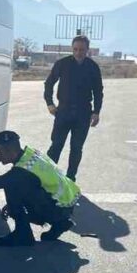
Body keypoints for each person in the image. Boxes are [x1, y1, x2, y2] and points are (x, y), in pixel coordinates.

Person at [0, 131, 80, 247]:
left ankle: (23, 236)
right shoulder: (31, 154)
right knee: (16, 185)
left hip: (56, 208)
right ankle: (61, 223)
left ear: (11, 151)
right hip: (66, 204)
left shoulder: (21, 172)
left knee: (11, 186)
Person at [44, 35, 103, 180]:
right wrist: (50, 103)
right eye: (75, 49)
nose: (78, 52)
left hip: (83, 114)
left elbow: (98, 91)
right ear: (72, 49)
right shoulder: (62, 64)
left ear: (87, 50)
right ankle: (47, 177)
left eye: (81, 49)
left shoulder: (93, 67)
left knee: (76, 148)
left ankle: (70, 179)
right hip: (63, 111)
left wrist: (96, 112)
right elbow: (49, 83)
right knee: (56, 145)